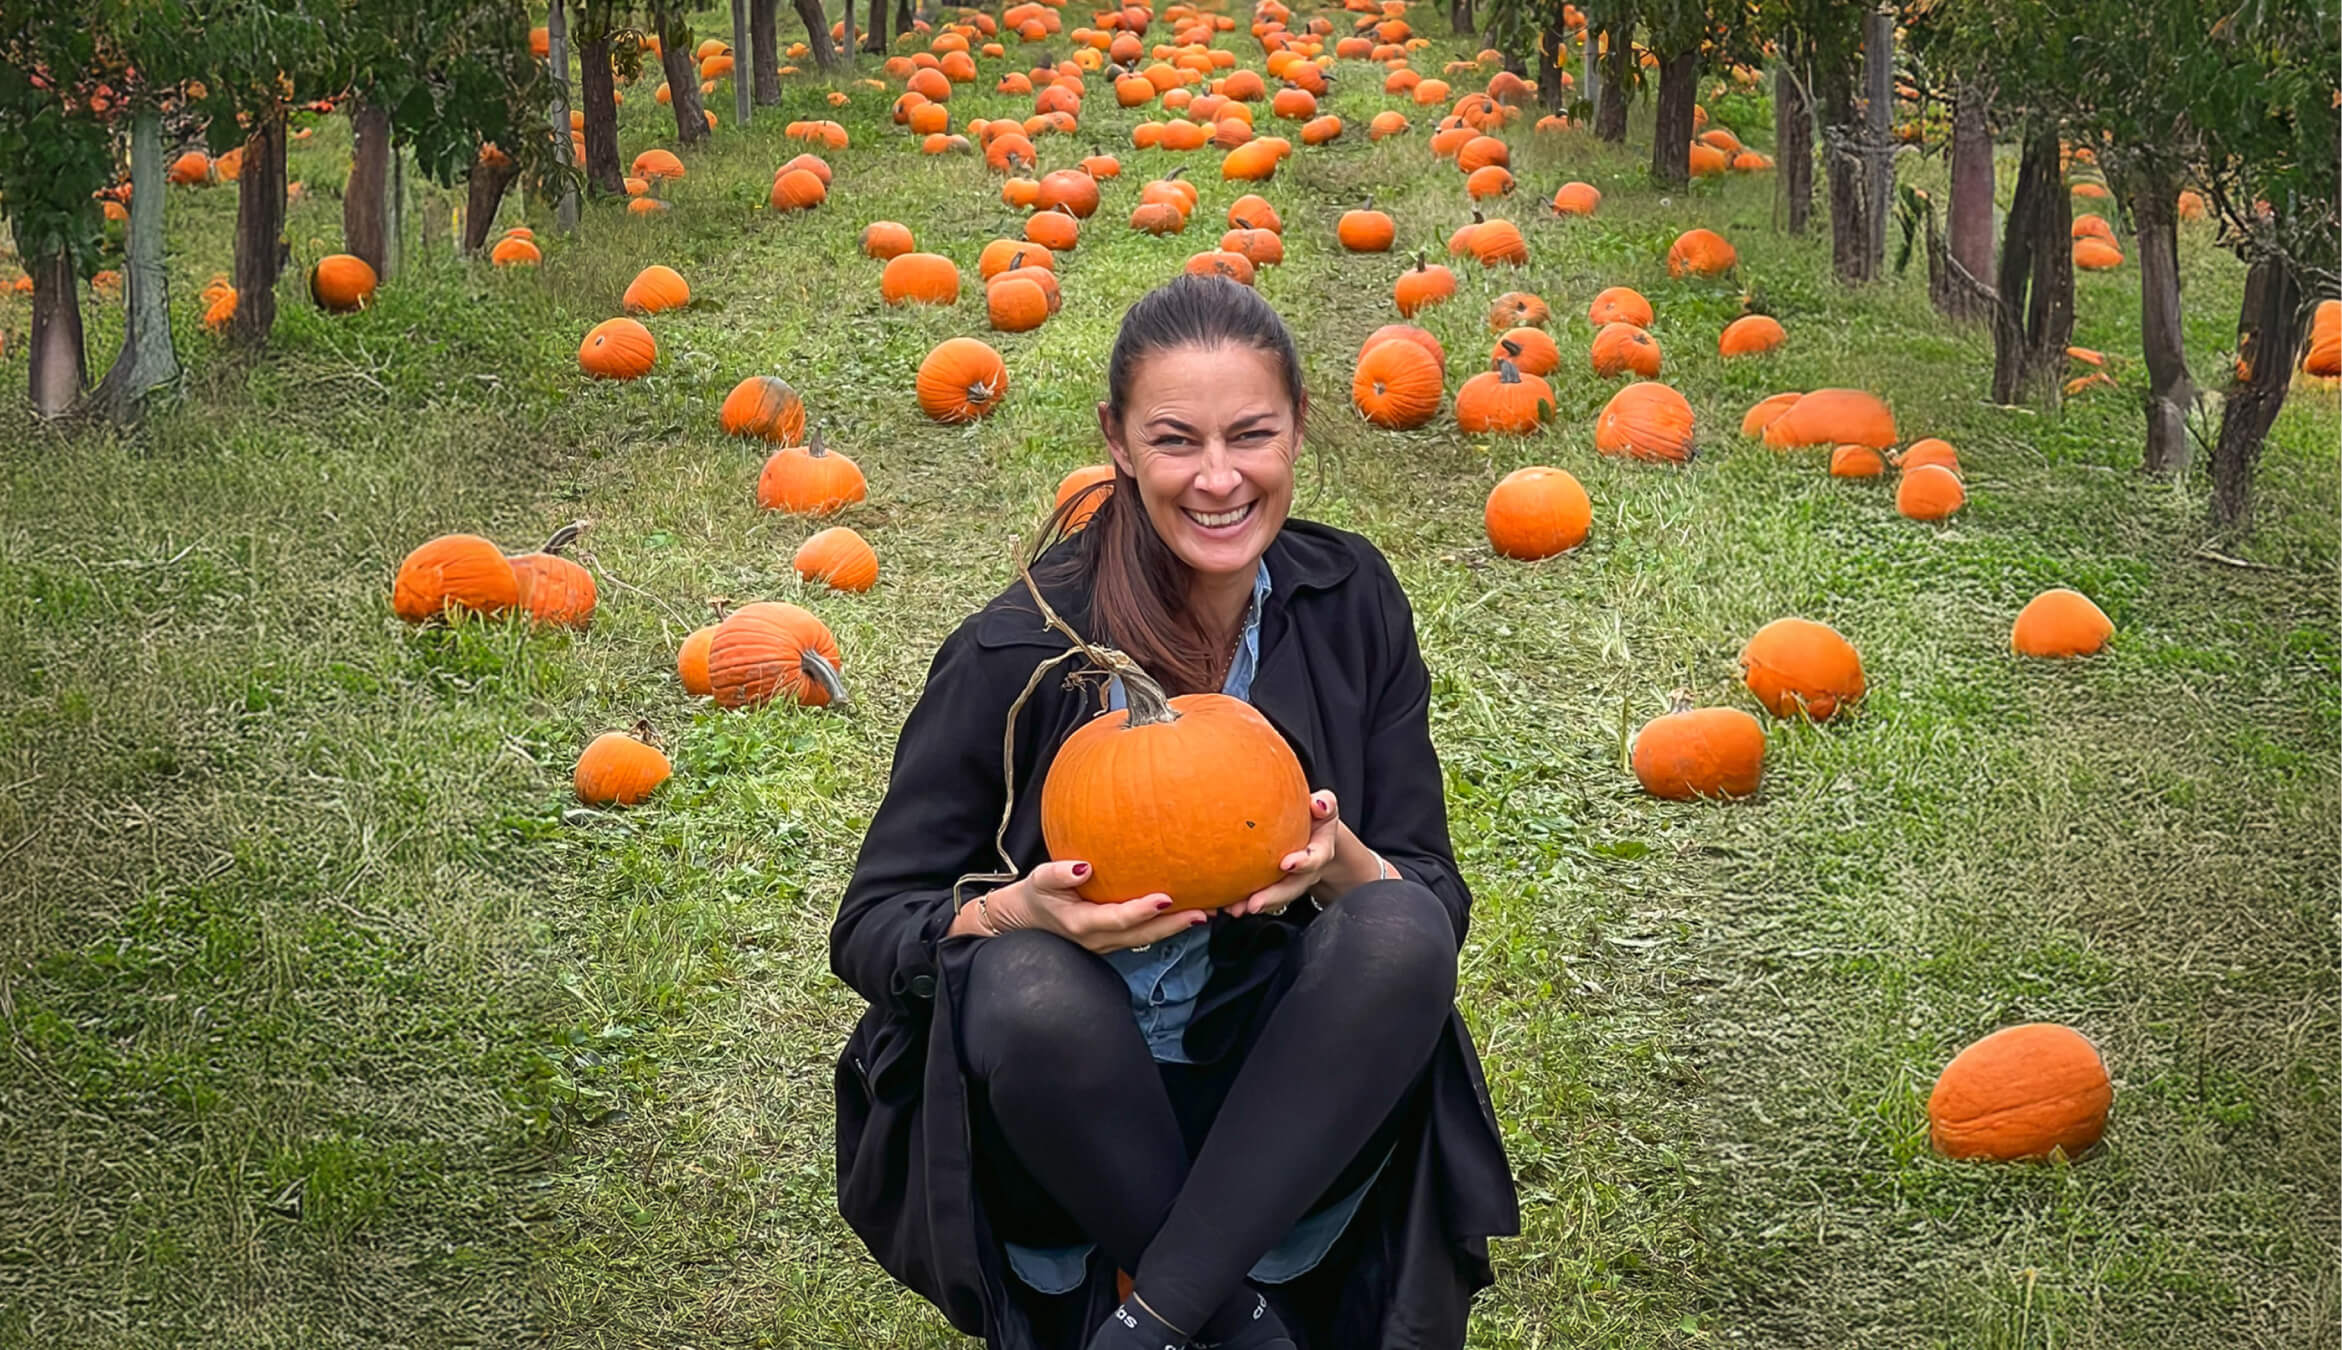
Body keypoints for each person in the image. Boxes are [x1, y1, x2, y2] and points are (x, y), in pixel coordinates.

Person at [830, 275, 1519, 1350]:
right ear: (1116, 441)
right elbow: (871, 925)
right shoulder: (1017, 651)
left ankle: (1150, 1320)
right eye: (1173, 440)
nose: (1215, 478)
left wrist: (1340, 861)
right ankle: (1234, 1324)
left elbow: (1433, 896)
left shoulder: (1348, 605)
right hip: (1063, 1116)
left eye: (1250, 435)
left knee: (1394, 925)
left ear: (1298, 429)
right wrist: (1016, 915)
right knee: (1021, 985)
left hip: (1280, 1097)